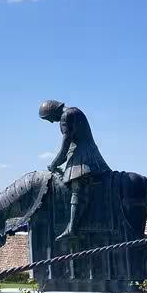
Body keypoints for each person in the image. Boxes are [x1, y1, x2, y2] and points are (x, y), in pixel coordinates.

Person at [39, 100, 111, 241]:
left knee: (76, 185)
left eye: (48, 119)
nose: (51, 122)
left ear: (52, 111)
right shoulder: (73, 111)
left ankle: (72, 228)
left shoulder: (67, 115)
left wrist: (53, 164)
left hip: (83, 154)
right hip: (82, 151)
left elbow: (66, 146)